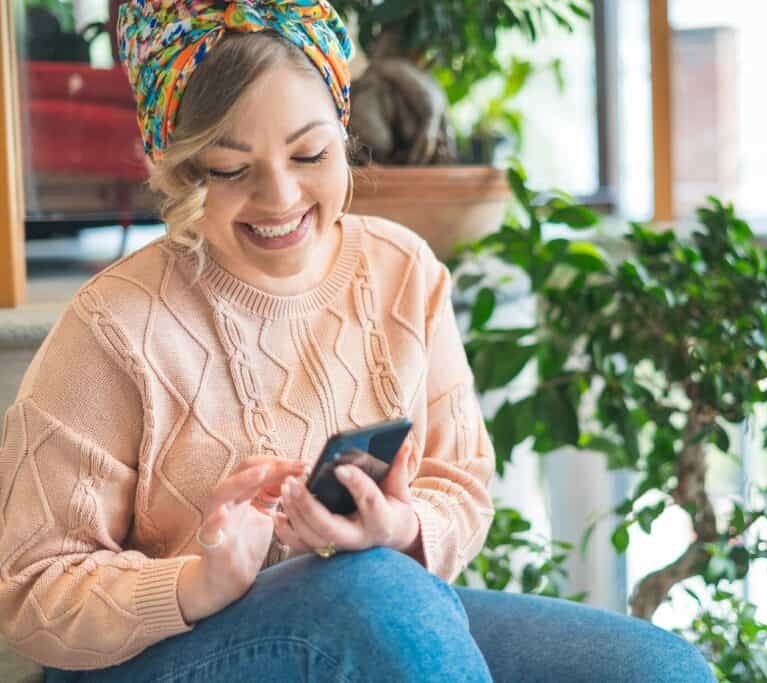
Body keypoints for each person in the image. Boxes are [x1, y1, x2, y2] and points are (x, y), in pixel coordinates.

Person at [0, 1, 716, 681]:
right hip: (161, 653)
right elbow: (27, 588)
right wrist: (197, 579)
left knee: (657, 669)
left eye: (310, 154)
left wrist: (400, 524)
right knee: (377, 601)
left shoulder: (402, 269)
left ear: (343, 133)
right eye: (230, 169)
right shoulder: (114, 325)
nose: (280, 198)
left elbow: (459, 479)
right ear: (180, 169)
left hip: (373, 612)